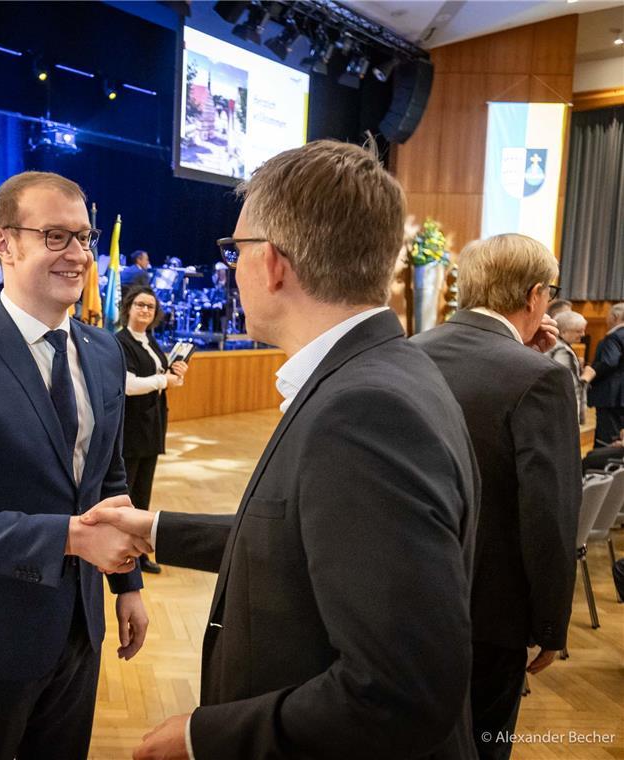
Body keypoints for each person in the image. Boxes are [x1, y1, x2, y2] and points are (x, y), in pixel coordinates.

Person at [82, 140, 480, 760]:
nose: (231, 268)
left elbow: (401, 692)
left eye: (232, 252)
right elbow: (301, 539)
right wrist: (155, 527)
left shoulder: (363, 411)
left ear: (270, 263)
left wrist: (200, 736)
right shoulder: (384, 373)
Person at [0, 171, 150, 760]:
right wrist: (68, 538)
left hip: (79, 626)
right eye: (57, 237)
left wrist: (127, 585)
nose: (79, 255)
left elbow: (108, 481)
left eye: (85, 238)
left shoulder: (102, 349)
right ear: (4, 243)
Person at [412, 233, 580, 760]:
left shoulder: (406, 353)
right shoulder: (541, 378)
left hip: (401, 595)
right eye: (549, 293)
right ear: (534, 297)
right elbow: (549, 517)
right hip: (488, 614)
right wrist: (551, 624)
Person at [116, 285, 188, 574]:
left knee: (143, 493)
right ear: (128, 308)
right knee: (127, 492)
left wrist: (176, 376)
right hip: (132, 427)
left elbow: (164, 379)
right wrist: (164, 381)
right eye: (140, 305)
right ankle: (120, 550)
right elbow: (129, 384)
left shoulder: (151, 341)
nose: (145, 310)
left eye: (150, 306)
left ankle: (139, 552)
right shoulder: (120, 342)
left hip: (153, 425)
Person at [585, 302, 624, 446]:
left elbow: (609, 362)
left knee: (606, 440)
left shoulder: (614, 337)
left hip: (611, 396)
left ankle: (599, 468)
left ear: (615, 317)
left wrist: (589, 374)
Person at [548, 308, 589, 424]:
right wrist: (586, 377)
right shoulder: (562, 350)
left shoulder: (554, 344)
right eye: (578, 331)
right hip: (562, 412)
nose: (583, 334)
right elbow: (567, 384)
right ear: (564, 331)